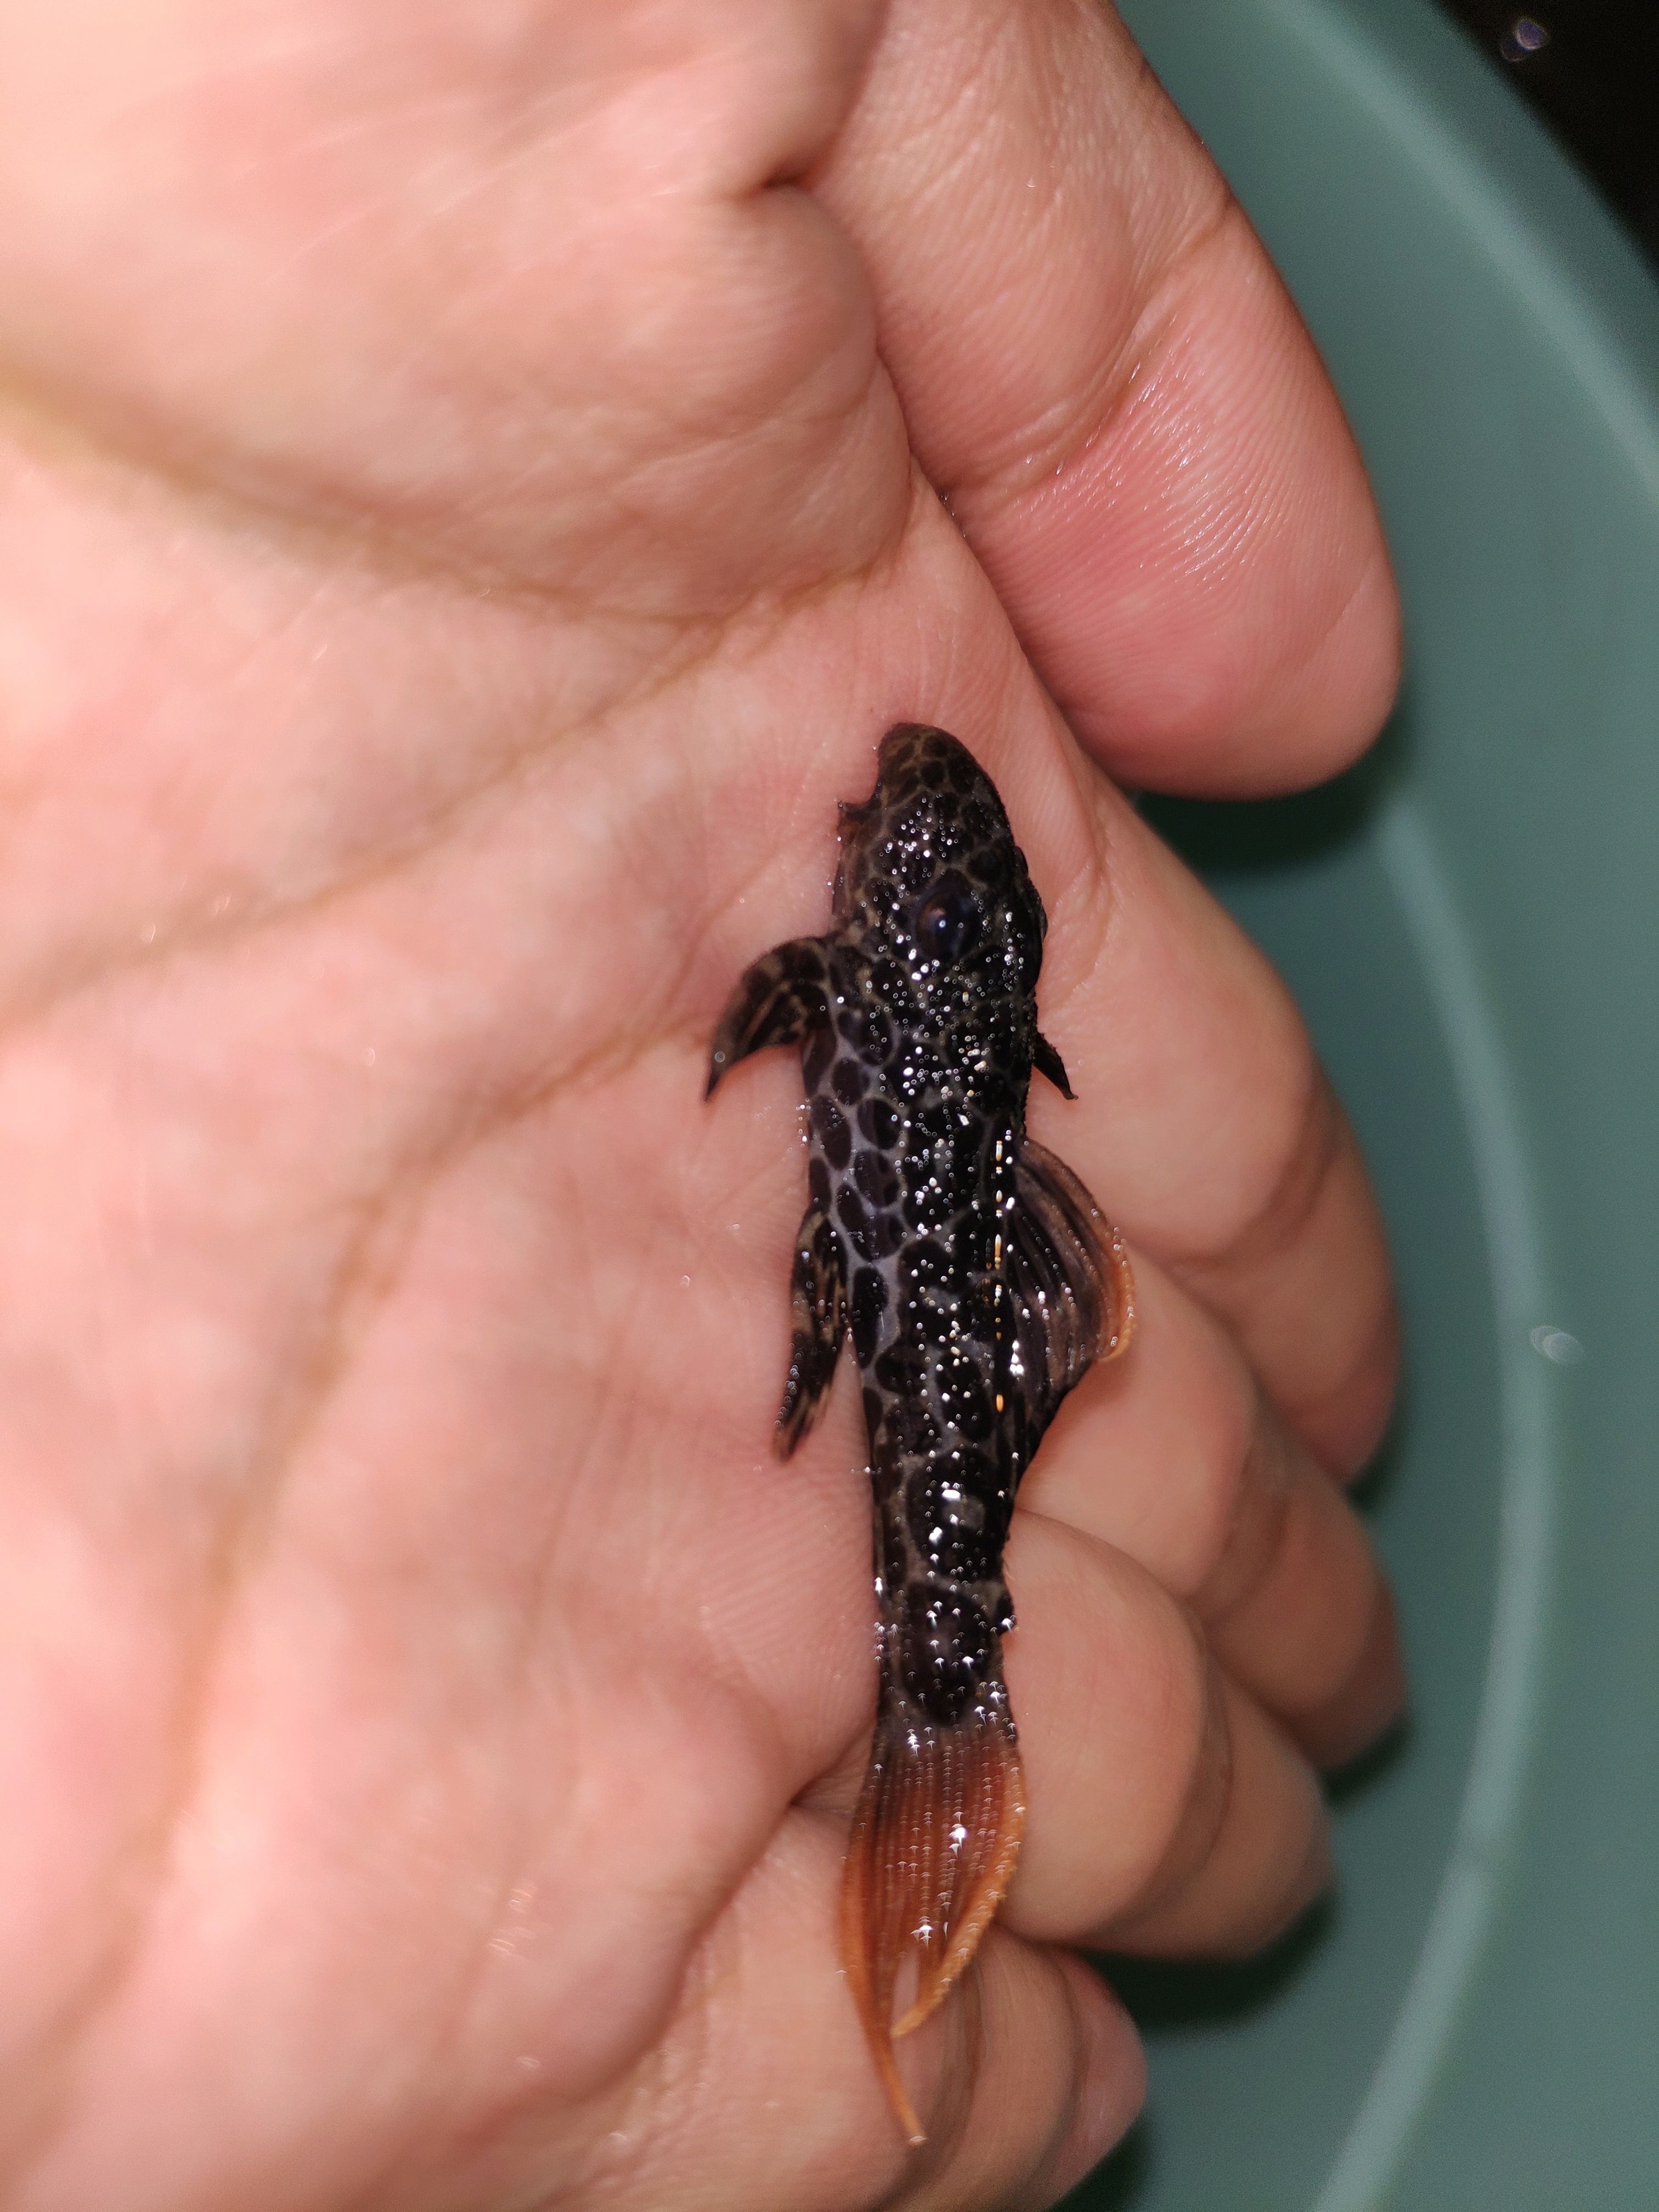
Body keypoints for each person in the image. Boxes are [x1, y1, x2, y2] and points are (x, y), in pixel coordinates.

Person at [0, 0, 1407, 2204]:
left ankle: (944, 1728)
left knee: (960, 1558)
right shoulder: (903, 1003)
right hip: (933, 1255)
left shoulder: (863, 988)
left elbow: (801, 1023)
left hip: (933, 1306)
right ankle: (947, 1736)